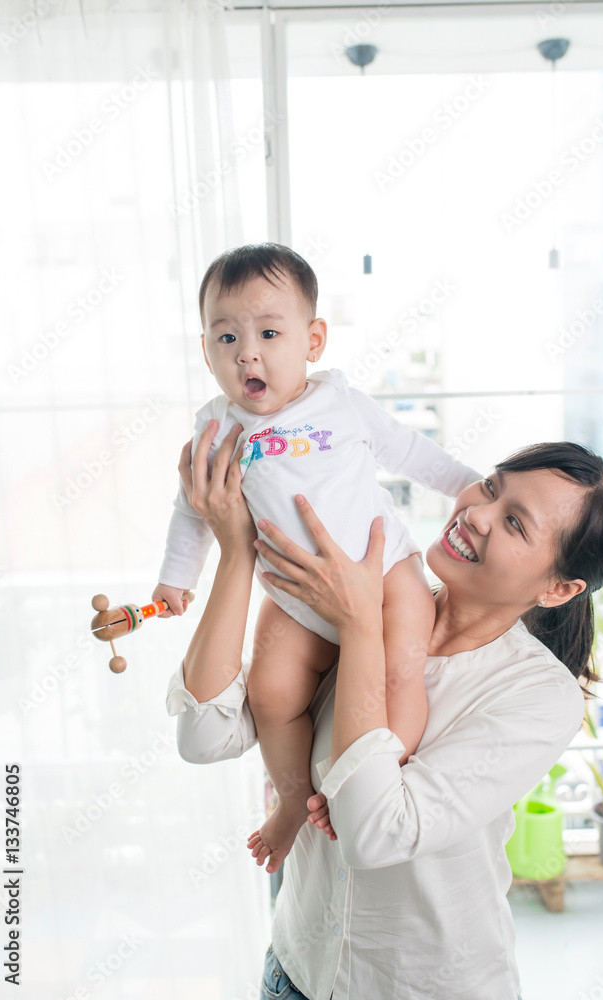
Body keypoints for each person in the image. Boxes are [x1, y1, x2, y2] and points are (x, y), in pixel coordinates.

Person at [165, 423, 603, 1000]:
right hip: (296, 972)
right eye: (490, 488)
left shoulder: (538, 696)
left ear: (560, 590)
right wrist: (237, 550)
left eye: (515, 523)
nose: (478, 514)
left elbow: (374, 834)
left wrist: (361, 626)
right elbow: (203, 737)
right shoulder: (365, 593)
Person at [153, 242, 479, 875]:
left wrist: (469, 488)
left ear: (314, 340)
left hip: (385, 578)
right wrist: (173, 581)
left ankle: (370, 779)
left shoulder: (342, 403)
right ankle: (293, 800)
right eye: (226, 338)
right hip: (294, 596)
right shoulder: (215, 434)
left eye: (269, 332)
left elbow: (412, 453)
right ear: (205, 351)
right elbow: (192, 511)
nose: (248, 352)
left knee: (399, 675)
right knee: (273, 693)